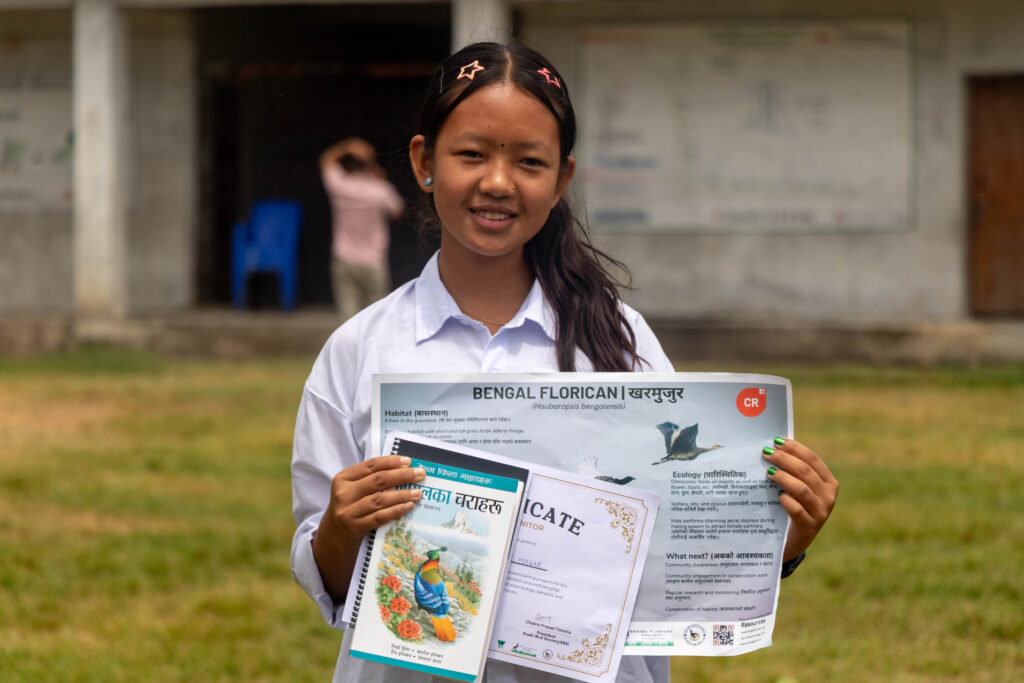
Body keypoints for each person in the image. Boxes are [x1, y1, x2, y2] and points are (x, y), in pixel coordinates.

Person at [291, 42, 839, 683]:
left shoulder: (618, 343)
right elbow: (326, 578)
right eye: (471, 154)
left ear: (562, 180)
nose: (498, 182)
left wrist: (779, 543)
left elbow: (676, 561)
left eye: (529, 161)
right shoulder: (359, 350)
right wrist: (340, 525)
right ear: (424, 161)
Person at [319, 137, 405, 321]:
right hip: (373, 260)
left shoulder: (340, 186)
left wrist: (346, 146)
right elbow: (398, 211)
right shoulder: (380, 190)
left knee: (347, 319)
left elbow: (326, 160)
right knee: (376, 318)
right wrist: (379, 177)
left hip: (344, 257)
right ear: (368, 165)